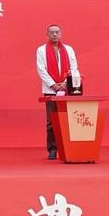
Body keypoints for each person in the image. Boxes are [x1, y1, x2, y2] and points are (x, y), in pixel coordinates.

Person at [36, 24, 78, 160]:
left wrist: (65, 83)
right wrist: (53, 85)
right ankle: (53, 149)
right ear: (47, 35)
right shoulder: (41, 50)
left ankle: (68, 147)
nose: (55, 34)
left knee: (68, 119)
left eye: (57, 32)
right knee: (51, 121)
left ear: (61, 34)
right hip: (50, 90)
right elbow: (41, 69)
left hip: (67, 89)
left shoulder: (69, 49)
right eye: (52, 32)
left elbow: (74, 67)